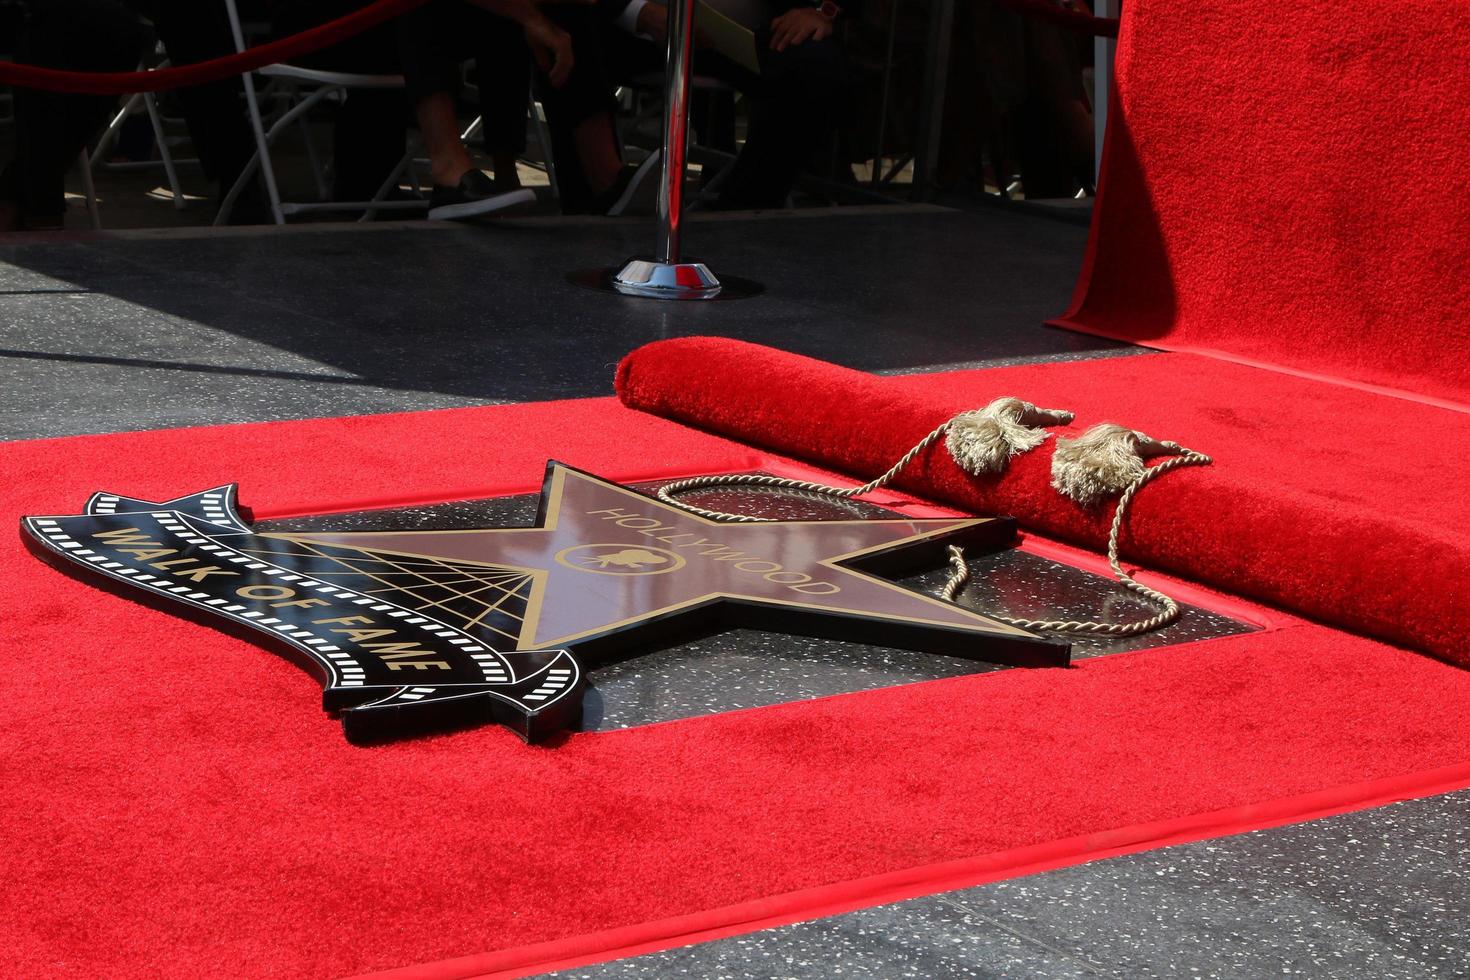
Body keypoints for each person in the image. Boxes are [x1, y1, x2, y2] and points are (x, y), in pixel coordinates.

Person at [598, 0, 854, 208]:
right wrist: (638, 11)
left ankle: (743, 207)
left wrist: (823, 9)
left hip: (748, 32)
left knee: (818, 65)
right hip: (632, 32)